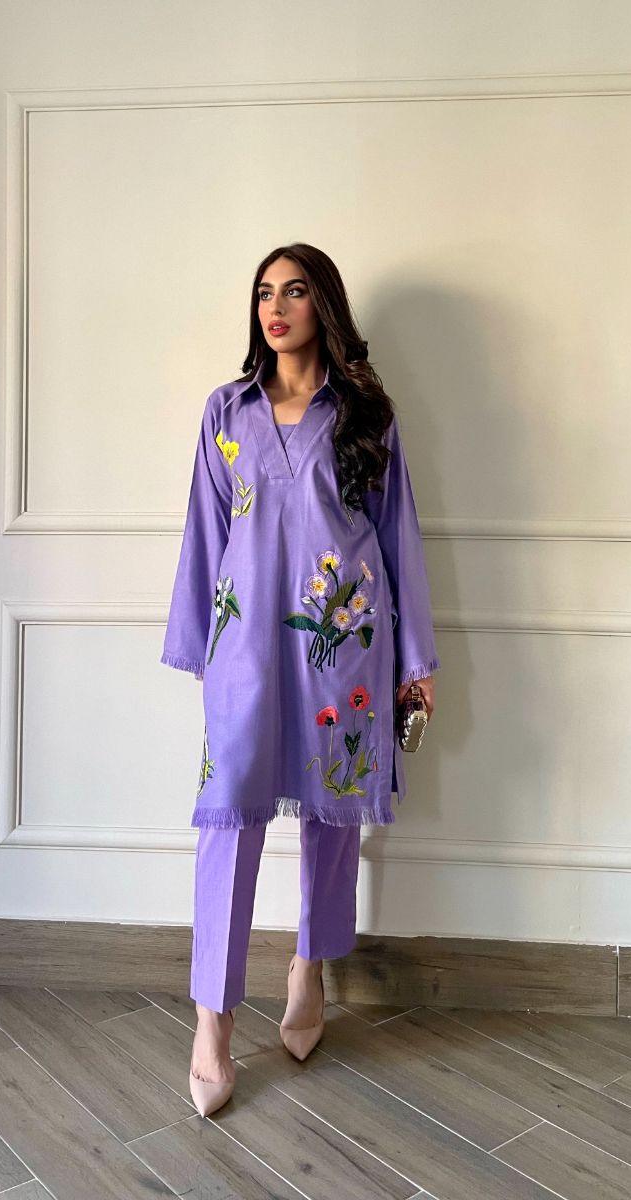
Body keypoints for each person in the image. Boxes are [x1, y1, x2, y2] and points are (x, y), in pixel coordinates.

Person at [160, 242, 441, 1115]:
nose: (275, 308)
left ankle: (309, 967)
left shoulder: (364, 414)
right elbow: (205, 534)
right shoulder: (227, 411)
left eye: (293, 292)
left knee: (332, 814)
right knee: (228, 820)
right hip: (245, 647)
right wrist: (201, 648)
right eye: (263, 293)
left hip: (341, 641)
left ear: (324, 304)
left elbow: (398, 535)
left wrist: (416, 662)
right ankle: (212, 1019)